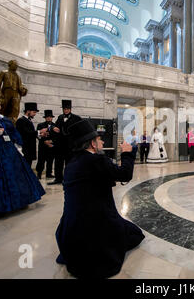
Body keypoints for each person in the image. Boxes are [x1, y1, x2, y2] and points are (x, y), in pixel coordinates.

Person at [55, 119, 145, 279]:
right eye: (99, 139)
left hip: (71, 229)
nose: (102, 141)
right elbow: (124, 174)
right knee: (135, 235)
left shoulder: (72, 163)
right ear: (92, 144)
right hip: (96, 227)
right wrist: (127, 153)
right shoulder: (96, 160)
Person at [48, 100, 82, 185]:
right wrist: (53, 128)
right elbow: (55, 127)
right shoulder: (60, 117)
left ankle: (68, 178)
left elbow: (80, 129)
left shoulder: (76, 118)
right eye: (64, 109)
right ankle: (58, 178)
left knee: (69, 163)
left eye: (67, 109)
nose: (66, 110)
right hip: (60, 145)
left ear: (70, 109)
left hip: (70, 145)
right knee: (58, 162)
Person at [15, 102, 48, 166]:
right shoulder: (21, 120)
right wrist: (40, 131)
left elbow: (30, 134)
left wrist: (40, 135)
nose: (35, 114)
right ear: (28, 111)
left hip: (29, 149)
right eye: (34, 112)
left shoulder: (28, 120)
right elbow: (26, 133)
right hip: (25, 149)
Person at [0, 60, 28, 124]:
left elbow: (20, 85)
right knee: (3, 105)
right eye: (15, 65)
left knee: (15, 108)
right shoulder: (4, 72)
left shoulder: (17, 75)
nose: (16, 67)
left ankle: (13, 122)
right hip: (7, 91)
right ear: (10, 65)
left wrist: (24, 89)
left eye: (17, 66)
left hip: (16, 93)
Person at [36, 110, 56, 179]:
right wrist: (45, 141)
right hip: (43, 146)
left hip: (51, 146)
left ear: (52, 118)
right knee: (41, 160)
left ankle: (49, 173)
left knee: (50, 160)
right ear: (45, 118)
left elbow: (56, 136)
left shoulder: (55, 125)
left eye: (50, 117)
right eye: (47, 117)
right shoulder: (40, 125)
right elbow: (38, 136)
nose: (49, 118)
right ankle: (39, 173)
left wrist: (51, 141)